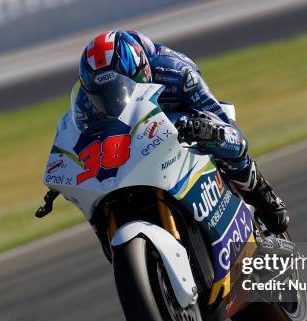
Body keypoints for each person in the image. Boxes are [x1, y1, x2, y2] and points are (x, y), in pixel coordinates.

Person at [71, 31, 289, 234]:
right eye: (104, 95)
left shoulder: (175, 72)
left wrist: (207, 129)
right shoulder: (85, 102)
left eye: (120, 89)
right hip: (129, 137)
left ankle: (262, 195)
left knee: (228, 143)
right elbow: (81, 136)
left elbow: (224, 124)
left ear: (143, 71)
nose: (114, 99)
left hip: (179, 116)